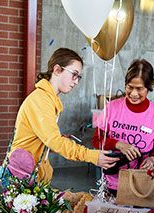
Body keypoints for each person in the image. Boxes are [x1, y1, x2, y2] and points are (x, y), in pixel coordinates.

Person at [8, 47, 118, 183]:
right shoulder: (41, 100)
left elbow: (44, 138)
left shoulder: (49, 98)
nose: (76, 81)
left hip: (32, 173)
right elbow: (54, 141)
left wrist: (58, 139)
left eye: (79, 77)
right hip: (23, 173)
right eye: (74, 74)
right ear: (57, 70)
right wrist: (92, 156)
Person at [92, 59, 154, 195]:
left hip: (141, 184)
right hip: (112, 183)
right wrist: (118, 144)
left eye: (139, 89)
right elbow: (96, 140)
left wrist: (153, 159)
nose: (133, 93)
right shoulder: (112, 108)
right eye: (130, 87)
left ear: (149, 87)